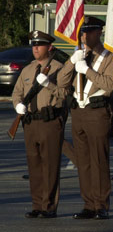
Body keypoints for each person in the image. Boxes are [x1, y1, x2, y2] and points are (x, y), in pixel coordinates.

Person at [57, 16, 113, 220]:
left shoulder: (110, 57)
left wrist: (87, 71)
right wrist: (71, 63)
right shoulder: (79, 55)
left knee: (99, 160)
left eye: (89, 32)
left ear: (98, 32)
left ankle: (101, 204)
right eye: (83, 32)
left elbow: (110, 85)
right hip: (78, 112)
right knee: (83, 162)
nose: (84, 36)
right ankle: (89, 204)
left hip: (97, 112)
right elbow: (61, 81)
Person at [12, 30, 68, 218]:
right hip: (30, 123)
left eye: (40, 44)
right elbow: (17, 92)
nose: (35, 48)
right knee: (34, 166)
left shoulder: (58, 68)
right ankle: (37, 205)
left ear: (49, 47)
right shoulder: (28, 69)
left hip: (49, 121)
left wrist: (48, 85)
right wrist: (18, 105)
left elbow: (65, 95)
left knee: (50, 165)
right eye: (34, 45)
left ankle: (49, 206)